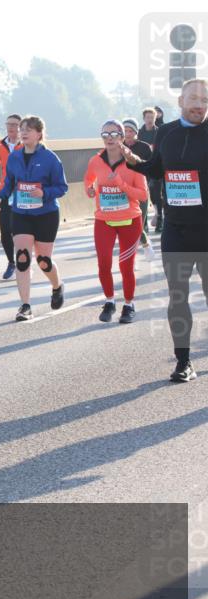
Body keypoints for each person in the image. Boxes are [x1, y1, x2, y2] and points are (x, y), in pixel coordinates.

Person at [123, 79, 208, 382]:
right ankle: (184, 362)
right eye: (194, 98)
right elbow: (158, 168)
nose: (200, 104)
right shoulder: (167, 131)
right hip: (176, 229)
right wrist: (134, 163)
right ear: (181, 101)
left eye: (205, 99)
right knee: (178, 296)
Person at [0, 115, 69, 321]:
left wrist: (44, 192)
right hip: (21, 214)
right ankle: (25, 306)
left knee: (43, 261)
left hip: (46, 214)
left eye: (28, 129)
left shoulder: (51, 159)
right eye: (22, 129)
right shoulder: (15, 157)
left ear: (39, 134)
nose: (23, 132)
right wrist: (0, 196)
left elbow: (62, 187)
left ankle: (57, 286)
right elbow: (9, 182)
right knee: (23, 259)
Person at [84, 120, 148, 324]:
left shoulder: (132, 161)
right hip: (104, 220)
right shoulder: (95, 160)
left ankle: (128, 305)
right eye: (105, 135)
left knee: (125, 266)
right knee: (103, 263)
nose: (109, 138)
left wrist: (120, 184)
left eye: (114, 134)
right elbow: (88, 180)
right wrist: (90, 189)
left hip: (130, 220)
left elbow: (143, 195)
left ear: (122, 137)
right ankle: (110, 301)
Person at [0, 114, 22, 279]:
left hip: (23, 192)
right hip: (4, 192)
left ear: (21, 127)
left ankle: (23, 260)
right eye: (8, 124)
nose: (11, 128)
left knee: (21, 230)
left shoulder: (25, 144)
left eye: (15, 125)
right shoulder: (0, 145)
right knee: (5, 231)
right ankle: (11, 262)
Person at [122, 118, 154, 253]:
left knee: (138, 225)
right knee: (127, 226)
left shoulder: (144, 147)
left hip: (141, 190)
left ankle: (146, 246)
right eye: (125, 131)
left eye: (130, 131)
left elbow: (152, 167)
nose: (127, 134)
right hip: (123, 191)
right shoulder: (117, 147)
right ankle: (130, 257)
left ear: (136, 132)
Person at [138, 108, 164, 232]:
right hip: (142, 168)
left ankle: (160, 221)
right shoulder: (139, 133)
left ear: (155, 118)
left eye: (152, 118)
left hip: (155, 168)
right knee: (142, 196)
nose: (149, 120)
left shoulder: (160, 132)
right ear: (144, 118)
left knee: (156, 196)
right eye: (147, 117)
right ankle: (144, 224)